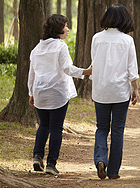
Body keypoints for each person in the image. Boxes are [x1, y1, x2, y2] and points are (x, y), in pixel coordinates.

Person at [28, 14, 92, 175]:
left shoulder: (37, 48)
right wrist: (86, 71)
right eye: (65, 26)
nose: (68, 29)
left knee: (43, 125)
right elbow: (67, 68)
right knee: (56, 128)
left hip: (40, 92)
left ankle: (37, 156)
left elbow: (32, 74)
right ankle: (51, 164)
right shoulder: (60, 46)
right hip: (57, 92)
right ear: (58, 29)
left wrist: (31, 93)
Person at [91, 4, 140, 180]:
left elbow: (94, 64)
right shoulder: (127, 40)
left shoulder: (97, 38)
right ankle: (113, 171)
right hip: (120, 91)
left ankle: (100, 159)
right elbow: (132, 68)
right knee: (117, 130)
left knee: (102, 128)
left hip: (101, 90)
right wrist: (135, 88)